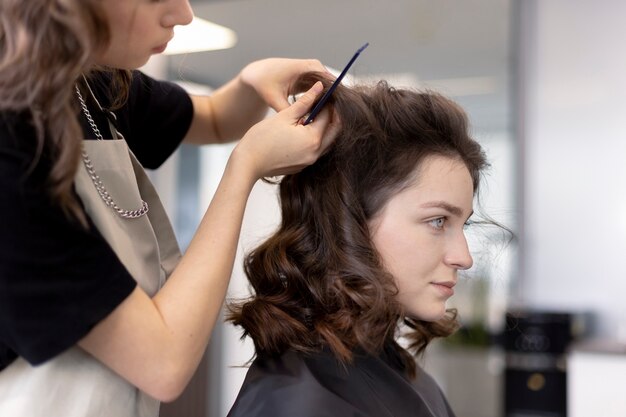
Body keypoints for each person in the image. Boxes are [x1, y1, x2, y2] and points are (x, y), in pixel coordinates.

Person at [0, 1, 339, 416]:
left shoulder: (88, 84)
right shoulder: (9, 156)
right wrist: (243, 169)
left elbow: (213, 119)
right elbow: (163, 362)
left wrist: (252, 82)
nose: (183, 14)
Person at [226, 72, 490, 417]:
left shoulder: (397, 370)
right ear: (349, 223)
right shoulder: (297, 403)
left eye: (462, 224)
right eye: (438, 221)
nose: (464, 258)